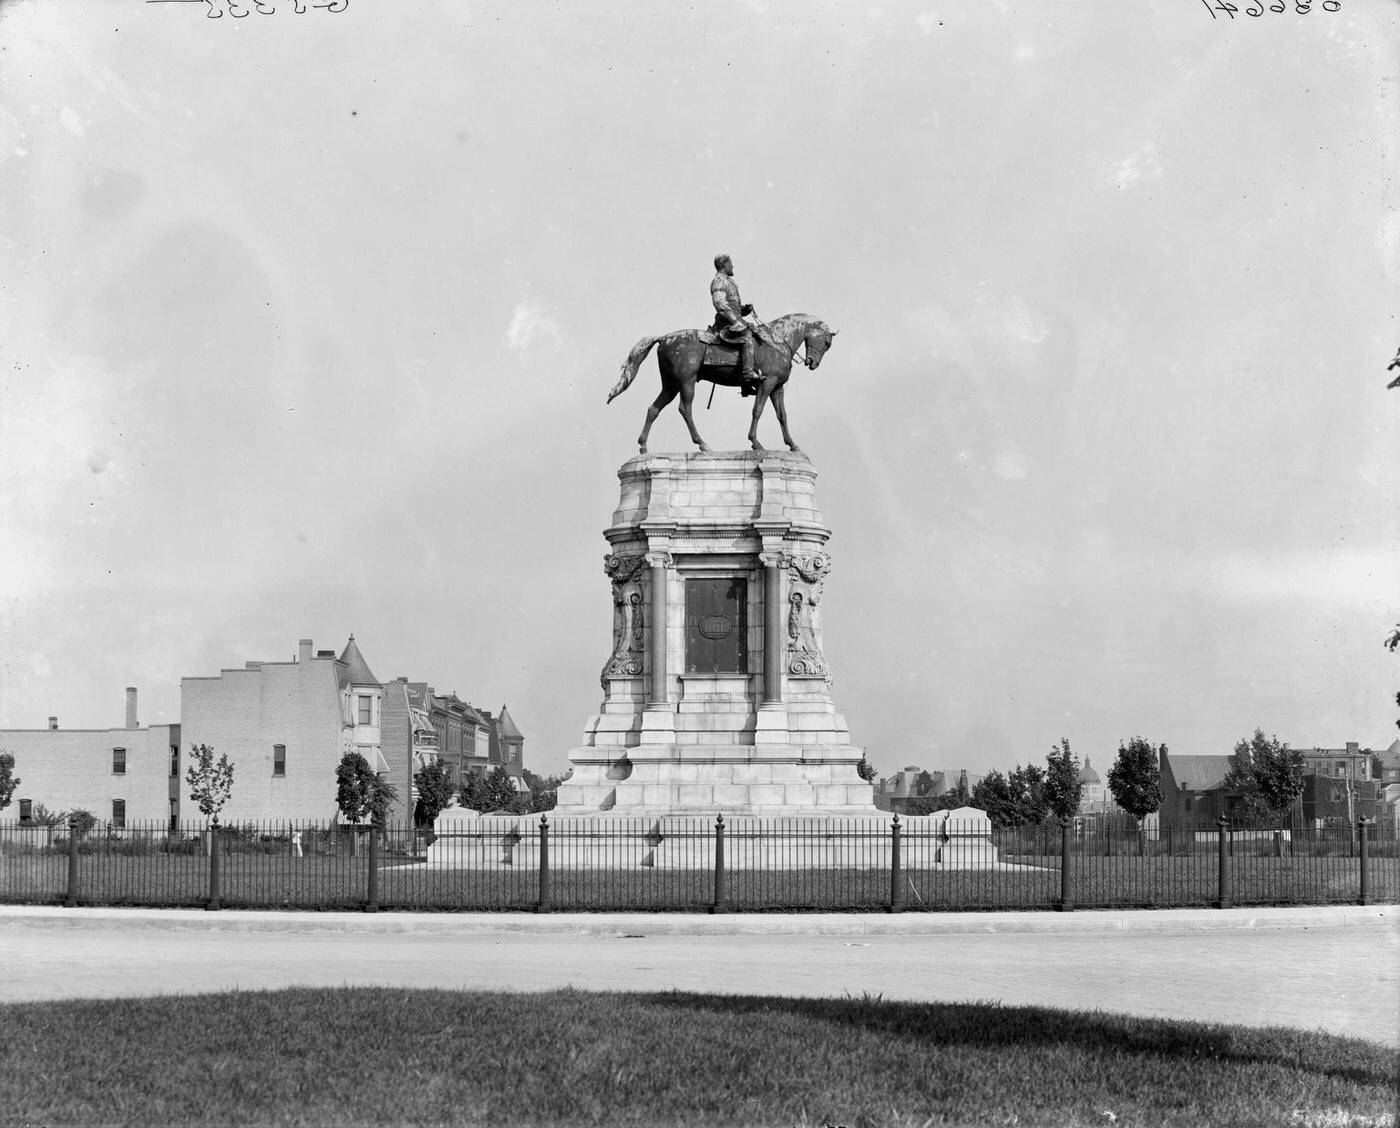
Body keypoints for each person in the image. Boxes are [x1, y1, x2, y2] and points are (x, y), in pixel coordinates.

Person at [710, 253, 762, 391]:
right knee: (747, 339)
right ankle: (747, 374)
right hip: (725, 324)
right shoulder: (719, 281)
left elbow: (733, 307)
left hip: (735, 320)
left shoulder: (729, 281)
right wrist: (734, 321)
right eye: (730, 263)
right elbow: (719, 303)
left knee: (757, 334)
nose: (732, 265)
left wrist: (744, 309)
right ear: (723, 265)